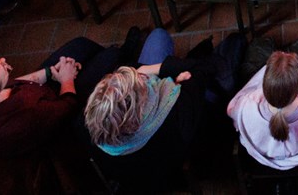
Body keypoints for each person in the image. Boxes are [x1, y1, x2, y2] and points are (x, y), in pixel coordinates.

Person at [0, 32, 149, 159]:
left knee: (80, 45)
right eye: (0, 66)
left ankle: (115, 55)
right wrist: (66, 79)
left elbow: (17, 83)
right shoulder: (28, 114)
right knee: (107, 60)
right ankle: (123, 57)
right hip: (61, 115)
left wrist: (52, 71)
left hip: (40, 92)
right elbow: (67, 105)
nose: (3, 60)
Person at [84, 28, 237, 186]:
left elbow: (127, 68)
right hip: (178, 149)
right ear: (140, 108)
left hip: (147, 172)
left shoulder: (92, 129)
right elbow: (200, 69)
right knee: (226, 55)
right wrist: (167, 76)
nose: (142, 76)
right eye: (141, 81)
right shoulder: (178, 108)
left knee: (158, 38)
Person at [228, 48, 298, 170]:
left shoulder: (246, 105)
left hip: (262, 158)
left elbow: (232, 109)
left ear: (265, 85)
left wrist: (263, 74)